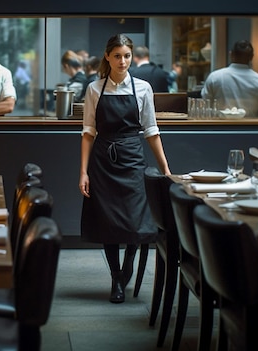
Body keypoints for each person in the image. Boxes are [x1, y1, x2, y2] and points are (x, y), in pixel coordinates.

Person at [79, 34, 171, 304]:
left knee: (134, 218)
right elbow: (87, 133)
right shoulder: (94, 89)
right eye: (117, 55)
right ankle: (116, 277)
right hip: (103, 161)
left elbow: (151, 131)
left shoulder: (143, 88)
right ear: (107, 57)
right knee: (107, 220)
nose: (123, 61)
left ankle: (128, 263)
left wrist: (165, 168)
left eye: (127, 56)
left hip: (132, 158)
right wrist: (83, 172)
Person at [201, 40, 258, 117]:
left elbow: (204, 107)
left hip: (219, 129)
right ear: (252, 57)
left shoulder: (214, 77)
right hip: (251, 129)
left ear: (231, 54)